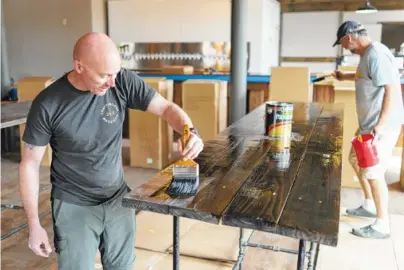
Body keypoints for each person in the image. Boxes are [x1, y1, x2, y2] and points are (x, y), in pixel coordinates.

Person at [18, 32, 204, 269]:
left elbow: (167, 108)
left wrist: (190, 131)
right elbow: (30, 164)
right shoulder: (48, 104)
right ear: (79, 67)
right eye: (104, 75)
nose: (112, 82)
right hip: (74, 204)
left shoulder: (121, 81)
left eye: (115, 73)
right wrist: (34, 224)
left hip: (117, 199)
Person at [332, 21, 403, 239]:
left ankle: (382, 225)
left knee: (374, 172)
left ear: (349, 37)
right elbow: (365, 78)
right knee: (355, 159)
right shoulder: (366, 56)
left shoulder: (376, 54)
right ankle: (369, 204)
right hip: (368, 126)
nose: (343, 48)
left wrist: (380, 125)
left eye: (342, 43)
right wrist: (344, 77)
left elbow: (391, 88)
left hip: (380, 128)